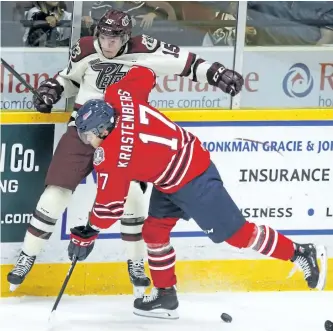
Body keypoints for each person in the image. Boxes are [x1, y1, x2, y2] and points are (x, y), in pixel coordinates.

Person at [7, 8, 244, 296]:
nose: (109, 44)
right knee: (54, 194)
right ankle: (27, 256)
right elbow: (68, 79)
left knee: (133, 198)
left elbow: (189, 63)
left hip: (126, 134)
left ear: (126, 37)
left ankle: (136, 263)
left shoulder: (147, 49)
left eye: (115, 38)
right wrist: (50, 91)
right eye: (104, 37)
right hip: (83, 128)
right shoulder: (83, 49)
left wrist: (217, 73)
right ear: (97, 34)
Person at [68, 65, 327, 320]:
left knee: (239, 235)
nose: (89, 142)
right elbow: (144, 74)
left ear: (104, 129)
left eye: (90, 136)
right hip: (173, 171)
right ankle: (165, 294)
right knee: (154, 231)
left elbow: (109, 207)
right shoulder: (118, 95)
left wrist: (88, 232)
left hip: (194, 179)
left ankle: (300, 252)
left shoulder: (111, 156)